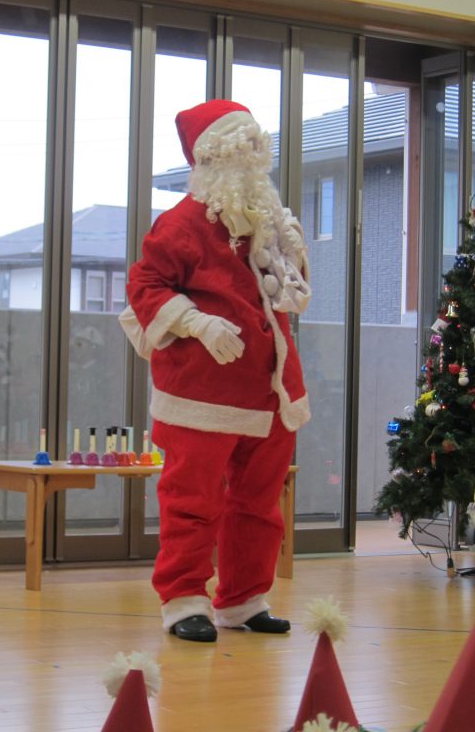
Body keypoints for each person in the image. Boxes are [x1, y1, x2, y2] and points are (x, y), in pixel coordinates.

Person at [121, 99, 312, 642]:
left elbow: (289, 293)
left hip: (270, 389)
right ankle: (183, 601)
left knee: (258, 503)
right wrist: (198, 323)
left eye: (258, 146)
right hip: (203, 392)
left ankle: (244, 599)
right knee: (192, 502)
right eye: (242, 148)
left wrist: (292, 251)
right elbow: (145, 288)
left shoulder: (267, 223)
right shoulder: (180, 224)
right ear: (211, 158)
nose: (254, 157)